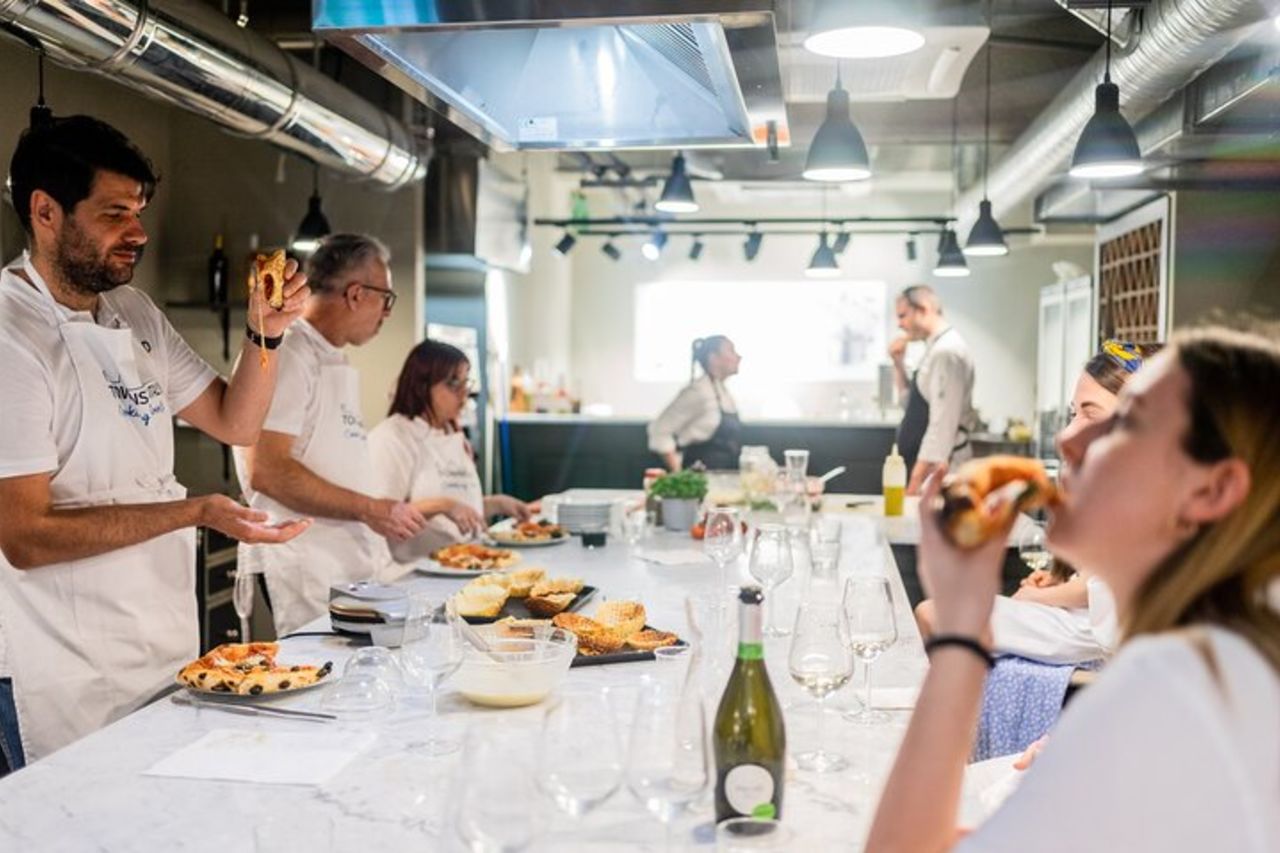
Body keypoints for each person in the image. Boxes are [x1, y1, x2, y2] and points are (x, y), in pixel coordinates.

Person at [866, 324, 1280, 852]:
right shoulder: (1208, 656)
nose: (1066, 441)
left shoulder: (1181, 693)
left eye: (1122, 424)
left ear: (1212, 489)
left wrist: (960, 639)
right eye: (1073, 416)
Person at [0, 115, 312, 769]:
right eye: (115, 213)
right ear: (45, 211)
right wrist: (195, 509)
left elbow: (235, 422)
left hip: (155, 645)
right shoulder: (11, 333)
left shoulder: (133, 312)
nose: (138, 232)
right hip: (57, 663)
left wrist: (266, 333)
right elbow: (24, 536)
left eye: (139, 210)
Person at [915, 340, 1162, 666]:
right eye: (1074, 413)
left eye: (1090, 412)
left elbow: (1111, 587)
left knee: (933, 613)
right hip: (1089, 617)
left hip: (1100, 629)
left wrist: (1041, 596)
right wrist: (1058, 581)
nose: (1070, 431)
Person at [234, 233, 426, 636]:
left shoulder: (329, 356)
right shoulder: (288, 353)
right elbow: (267, 470)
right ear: (356, 294)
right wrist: (372, 509)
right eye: (385, 299)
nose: (386, 312)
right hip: (305, 560)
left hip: (343, 561)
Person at [369, 339, 533, 562]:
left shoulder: (451, 434)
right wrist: (443, 505)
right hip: (411, 571)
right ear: (422, 385)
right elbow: (380, 514)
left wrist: (497, 504)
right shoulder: (393, 437)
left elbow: (458, 514)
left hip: (463, 561)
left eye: (466, 383)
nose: (464, 394)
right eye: (453, 384)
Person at [889, 285, 977, 495]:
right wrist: (898, 364)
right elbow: (910, 405)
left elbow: (941, 427)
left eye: (903, 315)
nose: (899, 324)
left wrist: (913, 486)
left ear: (924, 308)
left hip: (942, 472)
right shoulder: (934, 348)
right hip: (927, 470)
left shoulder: (946, 353)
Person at [647, 335, 742, 471]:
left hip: (722, 478)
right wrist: (678, 473)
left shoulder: (721, 390)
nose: (738, 357)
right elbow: (659, 431)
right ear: (713, 358)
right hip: (700, 479)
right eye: (731, 351)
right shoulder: (699, 391)